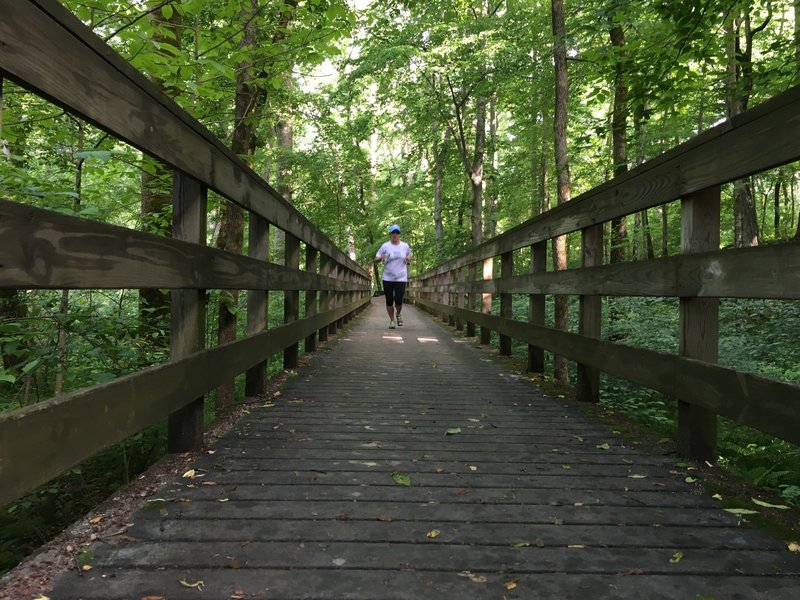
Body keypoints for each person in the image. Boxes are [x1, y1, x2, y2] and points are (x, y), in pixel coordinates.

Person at [375, 224, 412, 329]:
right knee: (389, 300)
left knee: (399, 299)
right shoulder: (385, 246)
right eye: (393, 233)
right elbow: (376, 260)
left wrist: (408, 258)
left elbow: (410, 256)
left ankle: (398, 314)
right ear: (390, 234)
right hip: (387, 277)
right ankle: (392, 320)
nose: (395, 235)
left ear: (399, 234)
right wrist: (381, 257)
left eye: (397, 233)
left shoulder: (405, 246)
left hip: (401, 277)